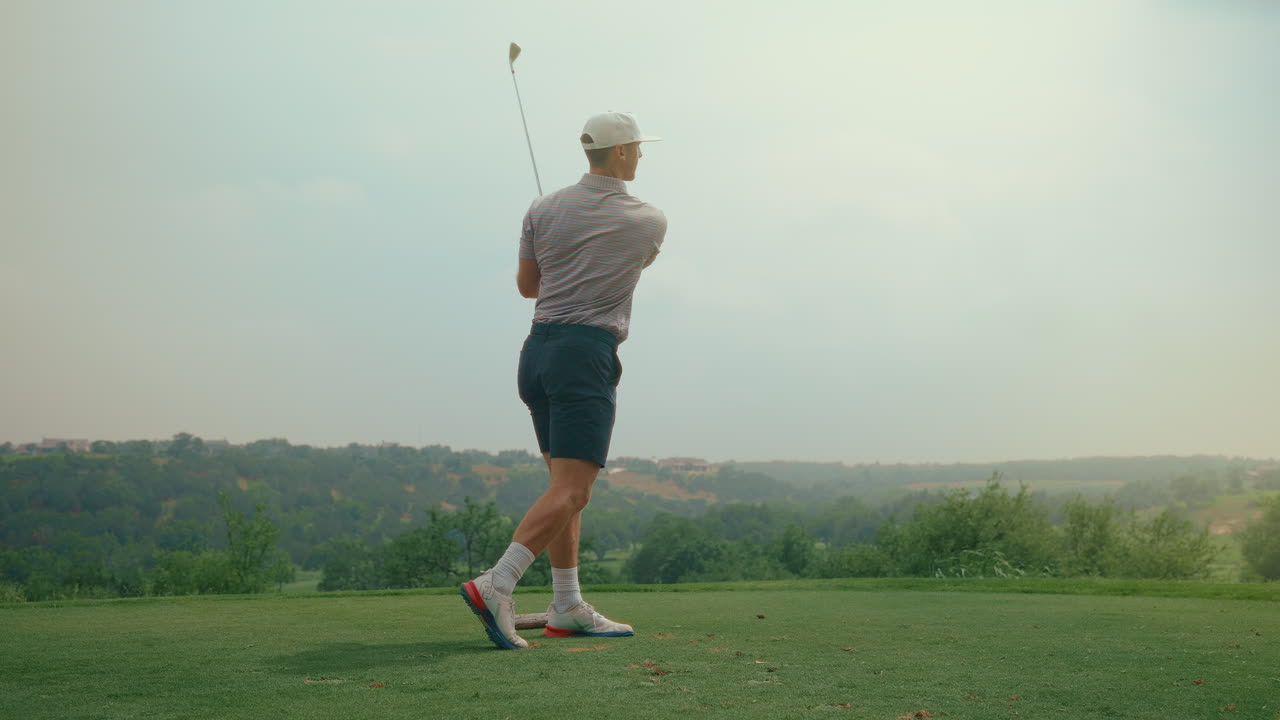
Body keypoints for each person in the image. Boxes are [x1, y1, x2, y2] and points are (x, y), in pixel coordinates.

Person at [460, 111, 667, 649]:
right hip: (584, 355)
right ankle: (497, 583)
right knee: (574, 490)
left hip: (537, 354)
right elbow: (625, 267)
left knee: (564, 490)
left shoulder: (542, 208)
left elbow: (528, 286)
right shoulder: (648, 220)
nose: (641, 154)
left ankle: (567, 605)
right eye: (638, 147)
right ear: (619, 152)